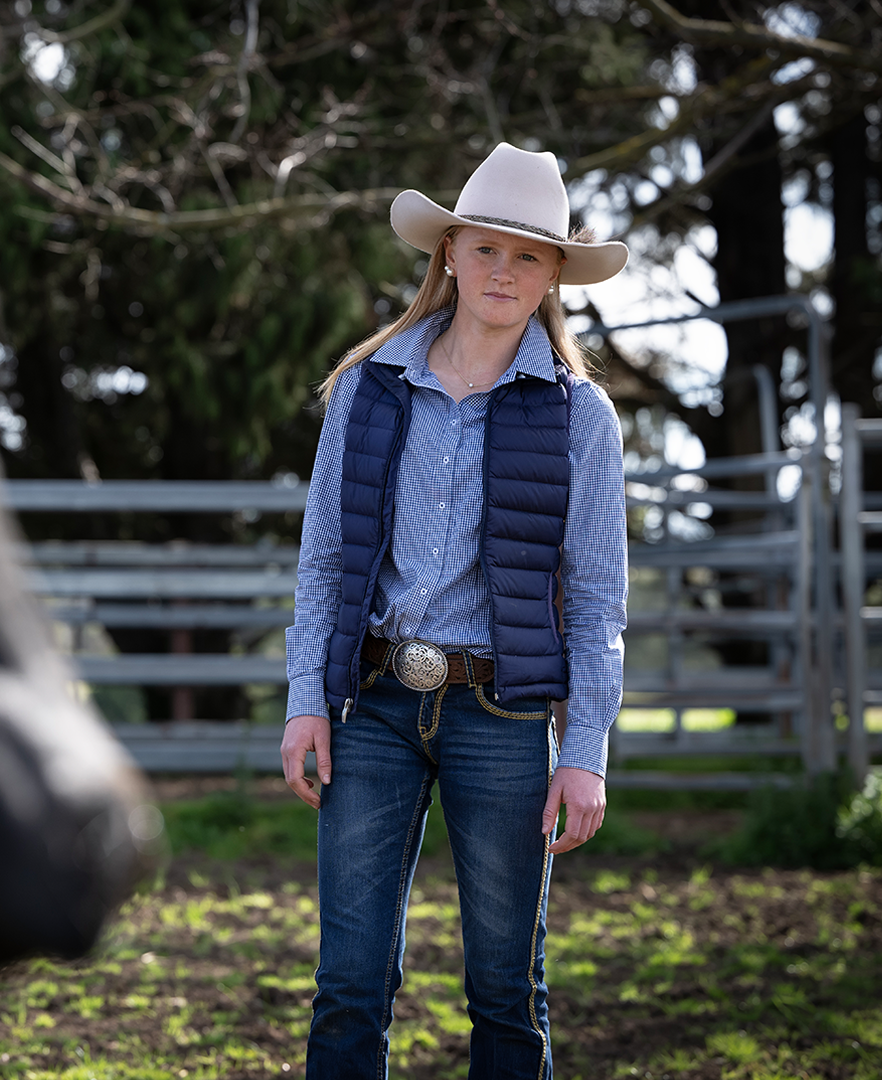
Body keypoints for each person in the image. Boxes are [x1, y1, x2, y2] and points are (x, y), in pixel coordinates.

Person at [278, 143, 628, 1079]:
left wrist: (584, 751)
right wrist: (305, 700)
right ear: (448, 255)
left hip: (505, 719)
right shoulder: (367, 387)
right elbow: (321, 563)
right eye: (485, 250)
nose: (503, 272)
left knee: (508, 990)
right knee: (349, 981)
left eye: (528, 256)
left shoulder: (579, 415)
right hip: (375, 708)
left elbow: (596, 599)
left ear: (556, 274)